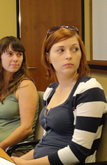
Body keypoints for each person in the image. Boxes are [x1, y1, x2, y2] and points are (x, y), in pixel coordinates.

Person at [12, 25, 107, 165]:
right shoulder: (51, 91)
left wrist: (26, 164)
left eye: (75, 49)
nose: (69, 55)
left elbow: (78, 152)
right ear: (48, 57)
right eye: (60, 50)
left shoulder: (89, 89)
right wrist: (15, 160)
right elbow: (47, 141)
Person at [0, 36, 39, 151]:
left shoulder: (25, 85)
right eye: (10, 54)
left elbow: (26, 128)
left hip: (16, 150)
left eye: (19, 54)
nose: (15, 59)